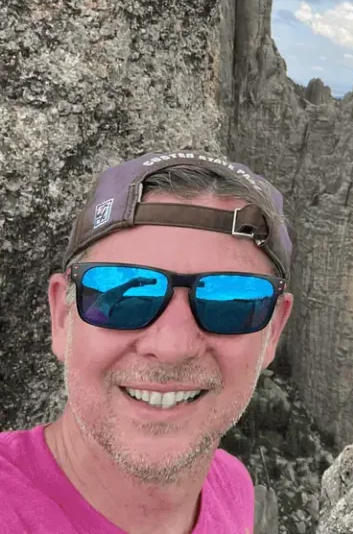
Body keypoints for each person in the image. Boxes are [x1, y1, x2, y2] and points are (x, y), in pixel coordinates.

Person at [0, 151, 295, 532]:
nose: (172, 347)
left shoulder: (231, 486)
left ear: (273, 332)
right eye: (121, 296)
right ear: (61, 317)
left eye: (230, 301)